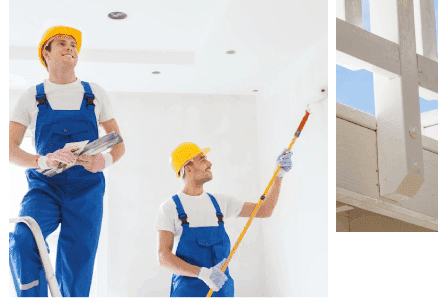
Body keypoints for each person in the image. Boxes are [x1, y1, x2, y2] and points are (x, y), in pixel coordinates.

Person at [9, 26, 126, 296]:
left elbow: (118, 144)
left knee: (78, 262)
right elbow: (9, 149)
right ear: (45, 53)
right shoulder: (31, 96)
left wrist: (102, 162)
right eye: (61, 43)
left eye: (73, 44)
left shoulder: (94, 94)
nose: (70, 48)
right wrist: (42, 160)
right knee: (24, 238)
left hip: (87, 189)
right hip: (44, 187)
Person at [156, 143, 293, 296]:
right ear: (187, 167)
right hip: (188, 294)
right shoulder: (170, 207)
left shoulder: (220, 203)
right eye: (202, 159)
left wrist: (278, 175)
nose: (209, 163)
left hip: (222, 293)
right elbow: (163, 257)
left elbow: (265, 210)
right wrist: (203, 274)